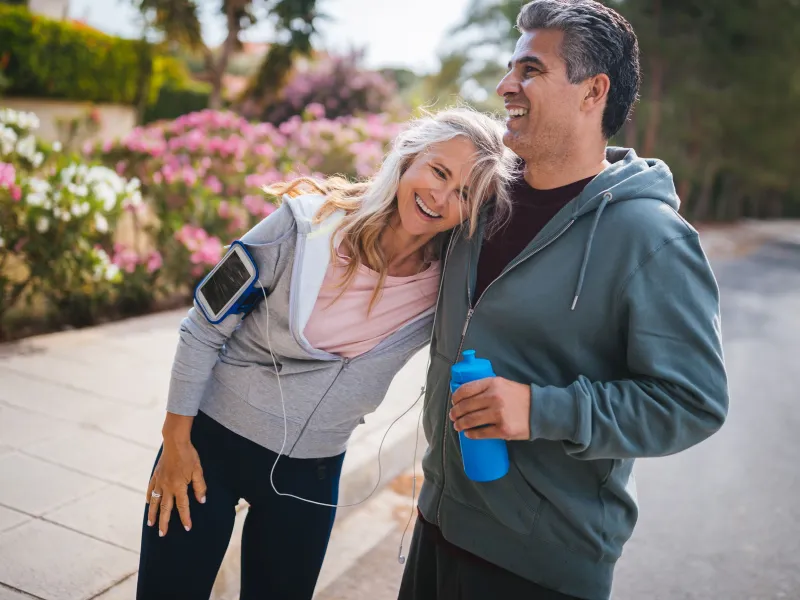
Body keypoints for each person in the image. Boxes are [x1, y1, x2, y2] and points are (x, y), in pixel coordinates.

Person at [398, 2, 729, 600]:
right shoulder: (478, 201)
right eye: (510, 68)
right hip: (437, 523)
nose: (505, 86)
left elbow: (693, 402)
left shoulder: (651, 237)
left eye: (531, 70)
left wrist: (543, 410)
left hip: (540, 563)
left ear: (593, 91)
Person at [135, 107, 516, 600]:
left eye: (465, 193)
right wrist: (175, 441)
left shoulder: (447, 284)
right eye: (439, 171)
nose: (441, 197)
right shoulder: (301, 226)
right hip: (209, 446)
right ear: (409, 157)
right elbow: (202, 327)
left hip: (310, 473)